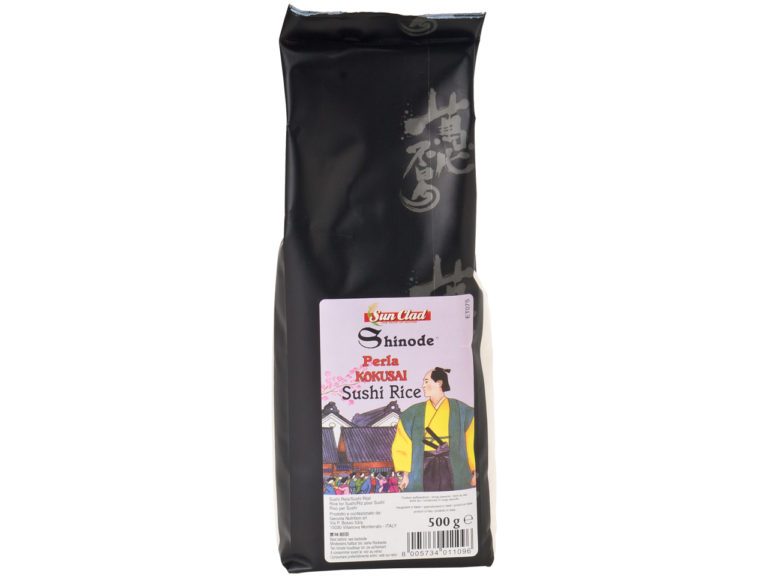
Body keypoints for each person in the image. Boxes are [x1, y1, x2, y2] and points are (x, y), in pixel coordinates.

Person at [391, 367, 476, 492]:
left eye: (426, 381)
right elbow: (403, 444)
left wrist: (475, 472)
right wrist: (405, 475)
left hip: (452, 466)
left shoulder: (462, 411)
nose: (423, 385)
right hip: (423, 467)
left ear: (439, 383)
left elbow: (472, 442)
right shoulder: (412, 413)